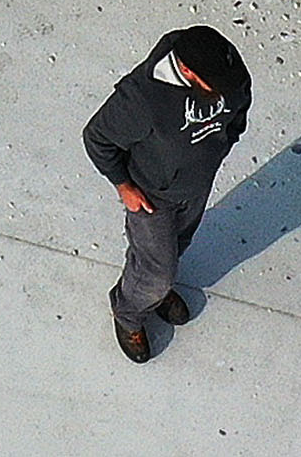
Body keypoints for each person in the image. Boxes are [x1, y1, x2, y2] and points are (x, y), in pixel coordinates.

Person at [82, 25, 252, 363]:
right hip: (152, 197)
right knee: (157, 273)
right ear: (187, 71)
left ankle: (153, 290)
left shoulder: (228, 71)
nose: (224, 92)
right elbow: (97, 138)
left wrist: (216, 151)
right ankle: (128, 313)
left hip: (196, 186)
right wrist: (124, 186)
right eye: (214, 87)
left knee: (176, 247)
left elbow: (238, 110)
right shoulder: (143, 97)